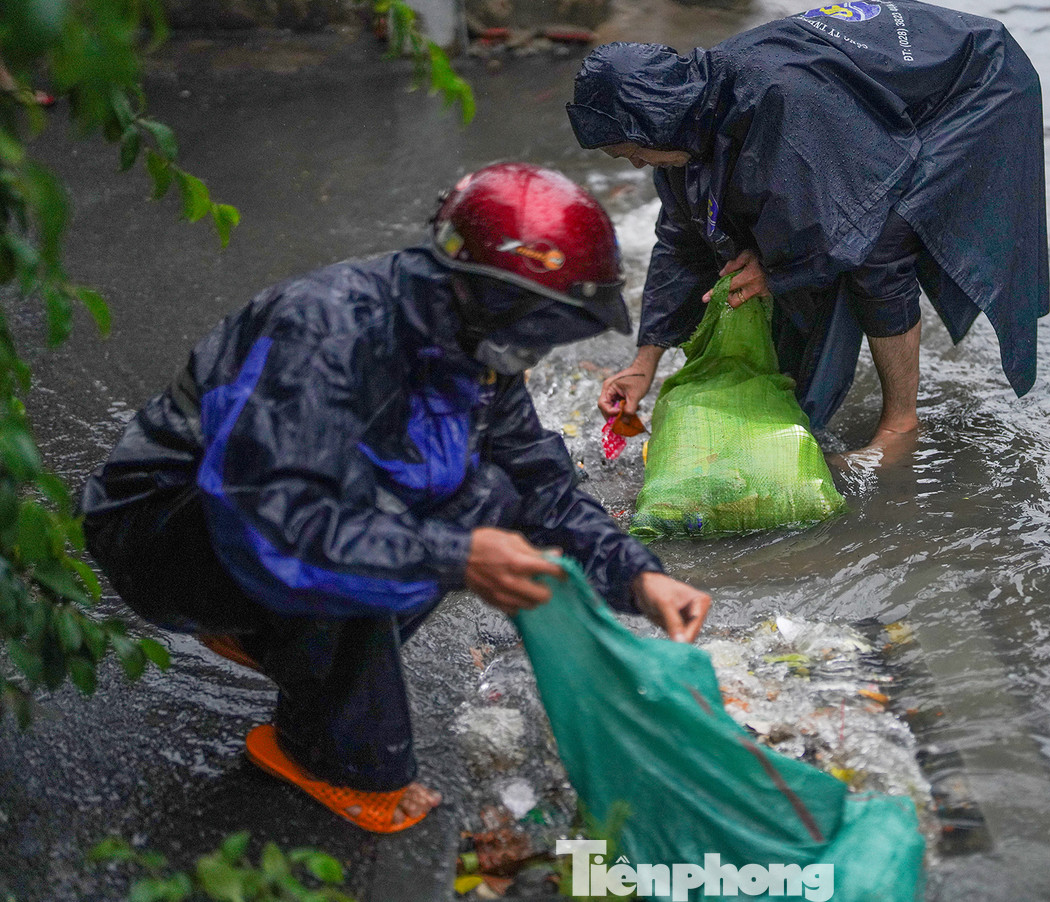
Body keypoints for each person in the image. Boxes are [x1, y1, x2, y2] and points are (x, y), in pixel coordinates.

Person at [79, 163, 712, 833]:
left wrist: (638, 576)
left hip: (256, 523)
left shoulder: (474, 345)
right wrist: (455, 555)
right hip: (166, 533)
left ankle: (273, 635)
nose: (544, 346)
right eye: (543, 325)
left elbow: (536, 481)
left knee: (487, 498)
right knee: (415, 533)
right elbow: (273, 518)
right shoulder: (325, 333)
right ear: (483, 293)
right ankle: (318, 752)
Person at [568, 0, 1050, 462]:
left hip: (976, 83)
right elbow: (682, 239)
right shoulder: (684, 124)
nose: (633, 163)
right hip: (877, 93)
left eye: (631, 150)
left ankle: (901, 426)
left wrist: (775, 272)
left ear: (658, 121)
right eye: (621, 157)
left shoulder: (780, 97)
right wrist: (643, 362)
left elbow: (846, 215)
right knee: (760, 237)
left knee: (881, 244)